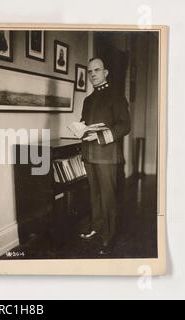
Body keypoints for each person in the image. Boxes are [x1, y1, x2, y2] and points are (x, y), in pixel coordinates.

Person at [79, 57, 131, 255]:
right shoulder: (88, 100)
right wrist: (81, 129)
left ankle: (109, 236)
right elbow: (86, 123)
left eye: (97, 70)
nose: (93, 74)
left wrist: (100, 136)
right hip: (89, 153)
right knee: (94, 193)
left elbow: (125, 125)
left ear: (106, 72)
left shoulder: (115, 96)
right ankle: (96, 227)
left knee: (108, 196)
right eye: (90, 71)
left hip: (107, 154)